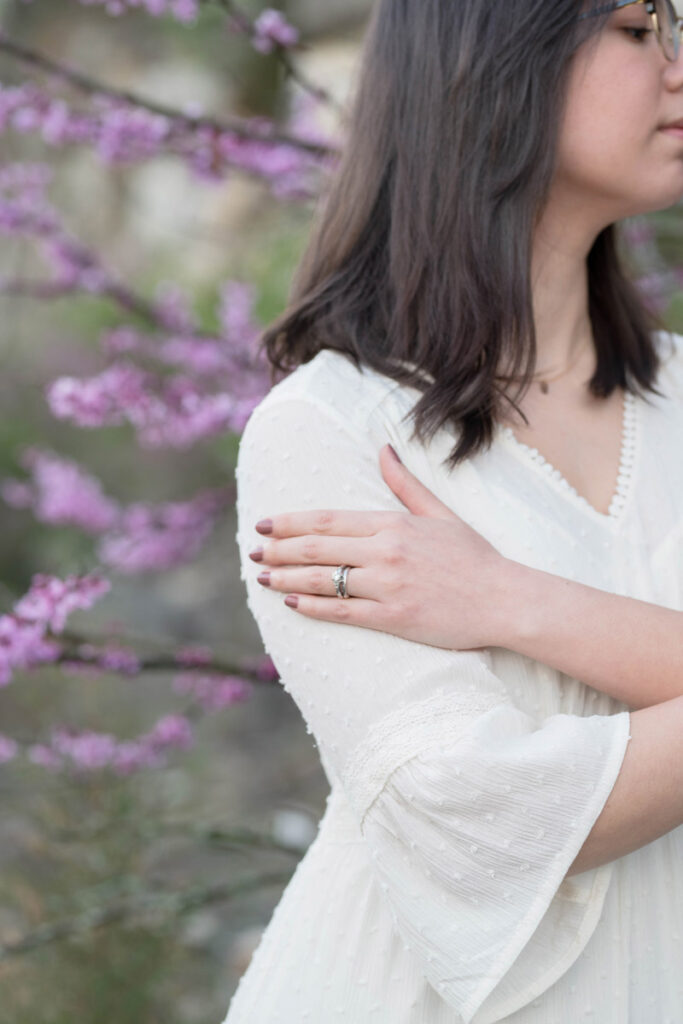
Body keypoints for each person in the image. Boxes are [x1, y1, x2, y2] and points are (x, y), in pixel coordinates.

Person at [221, 1, 683, 1021]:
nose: (674, 65)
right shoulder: (330, 431)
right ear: (491, 59)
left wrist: (510, 601)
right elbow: (469, 810)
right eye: (634, 27)